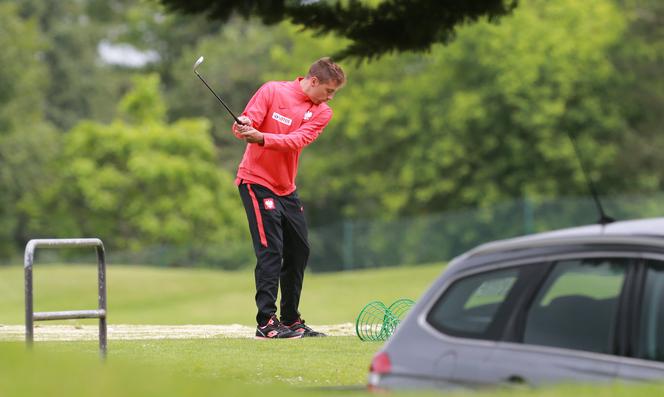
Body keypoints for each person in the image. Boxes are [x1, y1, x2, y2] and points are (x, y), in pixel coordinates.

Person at [232, 57, 346, 339]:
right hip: (256, 182)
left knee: (299, 250)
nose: (330, 98)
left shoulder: (322, 112)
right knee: (271, 250)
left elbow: (297, 140)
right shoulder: (272, 91)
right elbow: (243, 127)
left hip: (286, 188)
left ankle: (291, 319)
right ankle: (266, 323)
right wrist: (245, 125)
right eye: (329, 91)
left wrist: (262, 137)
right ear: (314, 81)